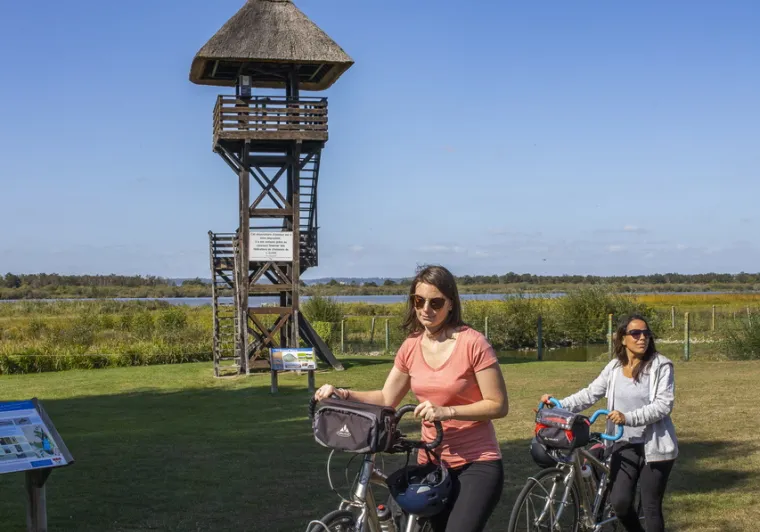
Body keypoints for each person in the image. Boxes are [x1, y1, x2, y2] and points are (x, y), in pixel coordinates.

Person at [314, 265, 508, 532]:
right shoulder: (411, 345)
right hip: (430, 462)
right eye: (418, 301)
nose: (425, 308)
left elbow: (497, 405)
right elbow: (386, 397)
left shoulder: (473, 343)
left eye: (435, 302)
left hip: (477, 463)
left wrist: (446, 412)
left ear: (450, 304)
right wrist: (343, 393)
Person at [540, 314, 678, 532]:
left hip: (655, 447)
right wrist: (558, 406)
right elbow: (589, 394)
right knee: (620, 503)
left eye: (646, 333)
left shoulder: (661, 366)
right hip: (622, 444)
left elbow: (663, 405)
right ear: (622, 338)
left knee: (651, 506)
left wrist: (628, 417)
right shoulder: (614, 367)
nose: (642, 338)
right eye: (635, 333)